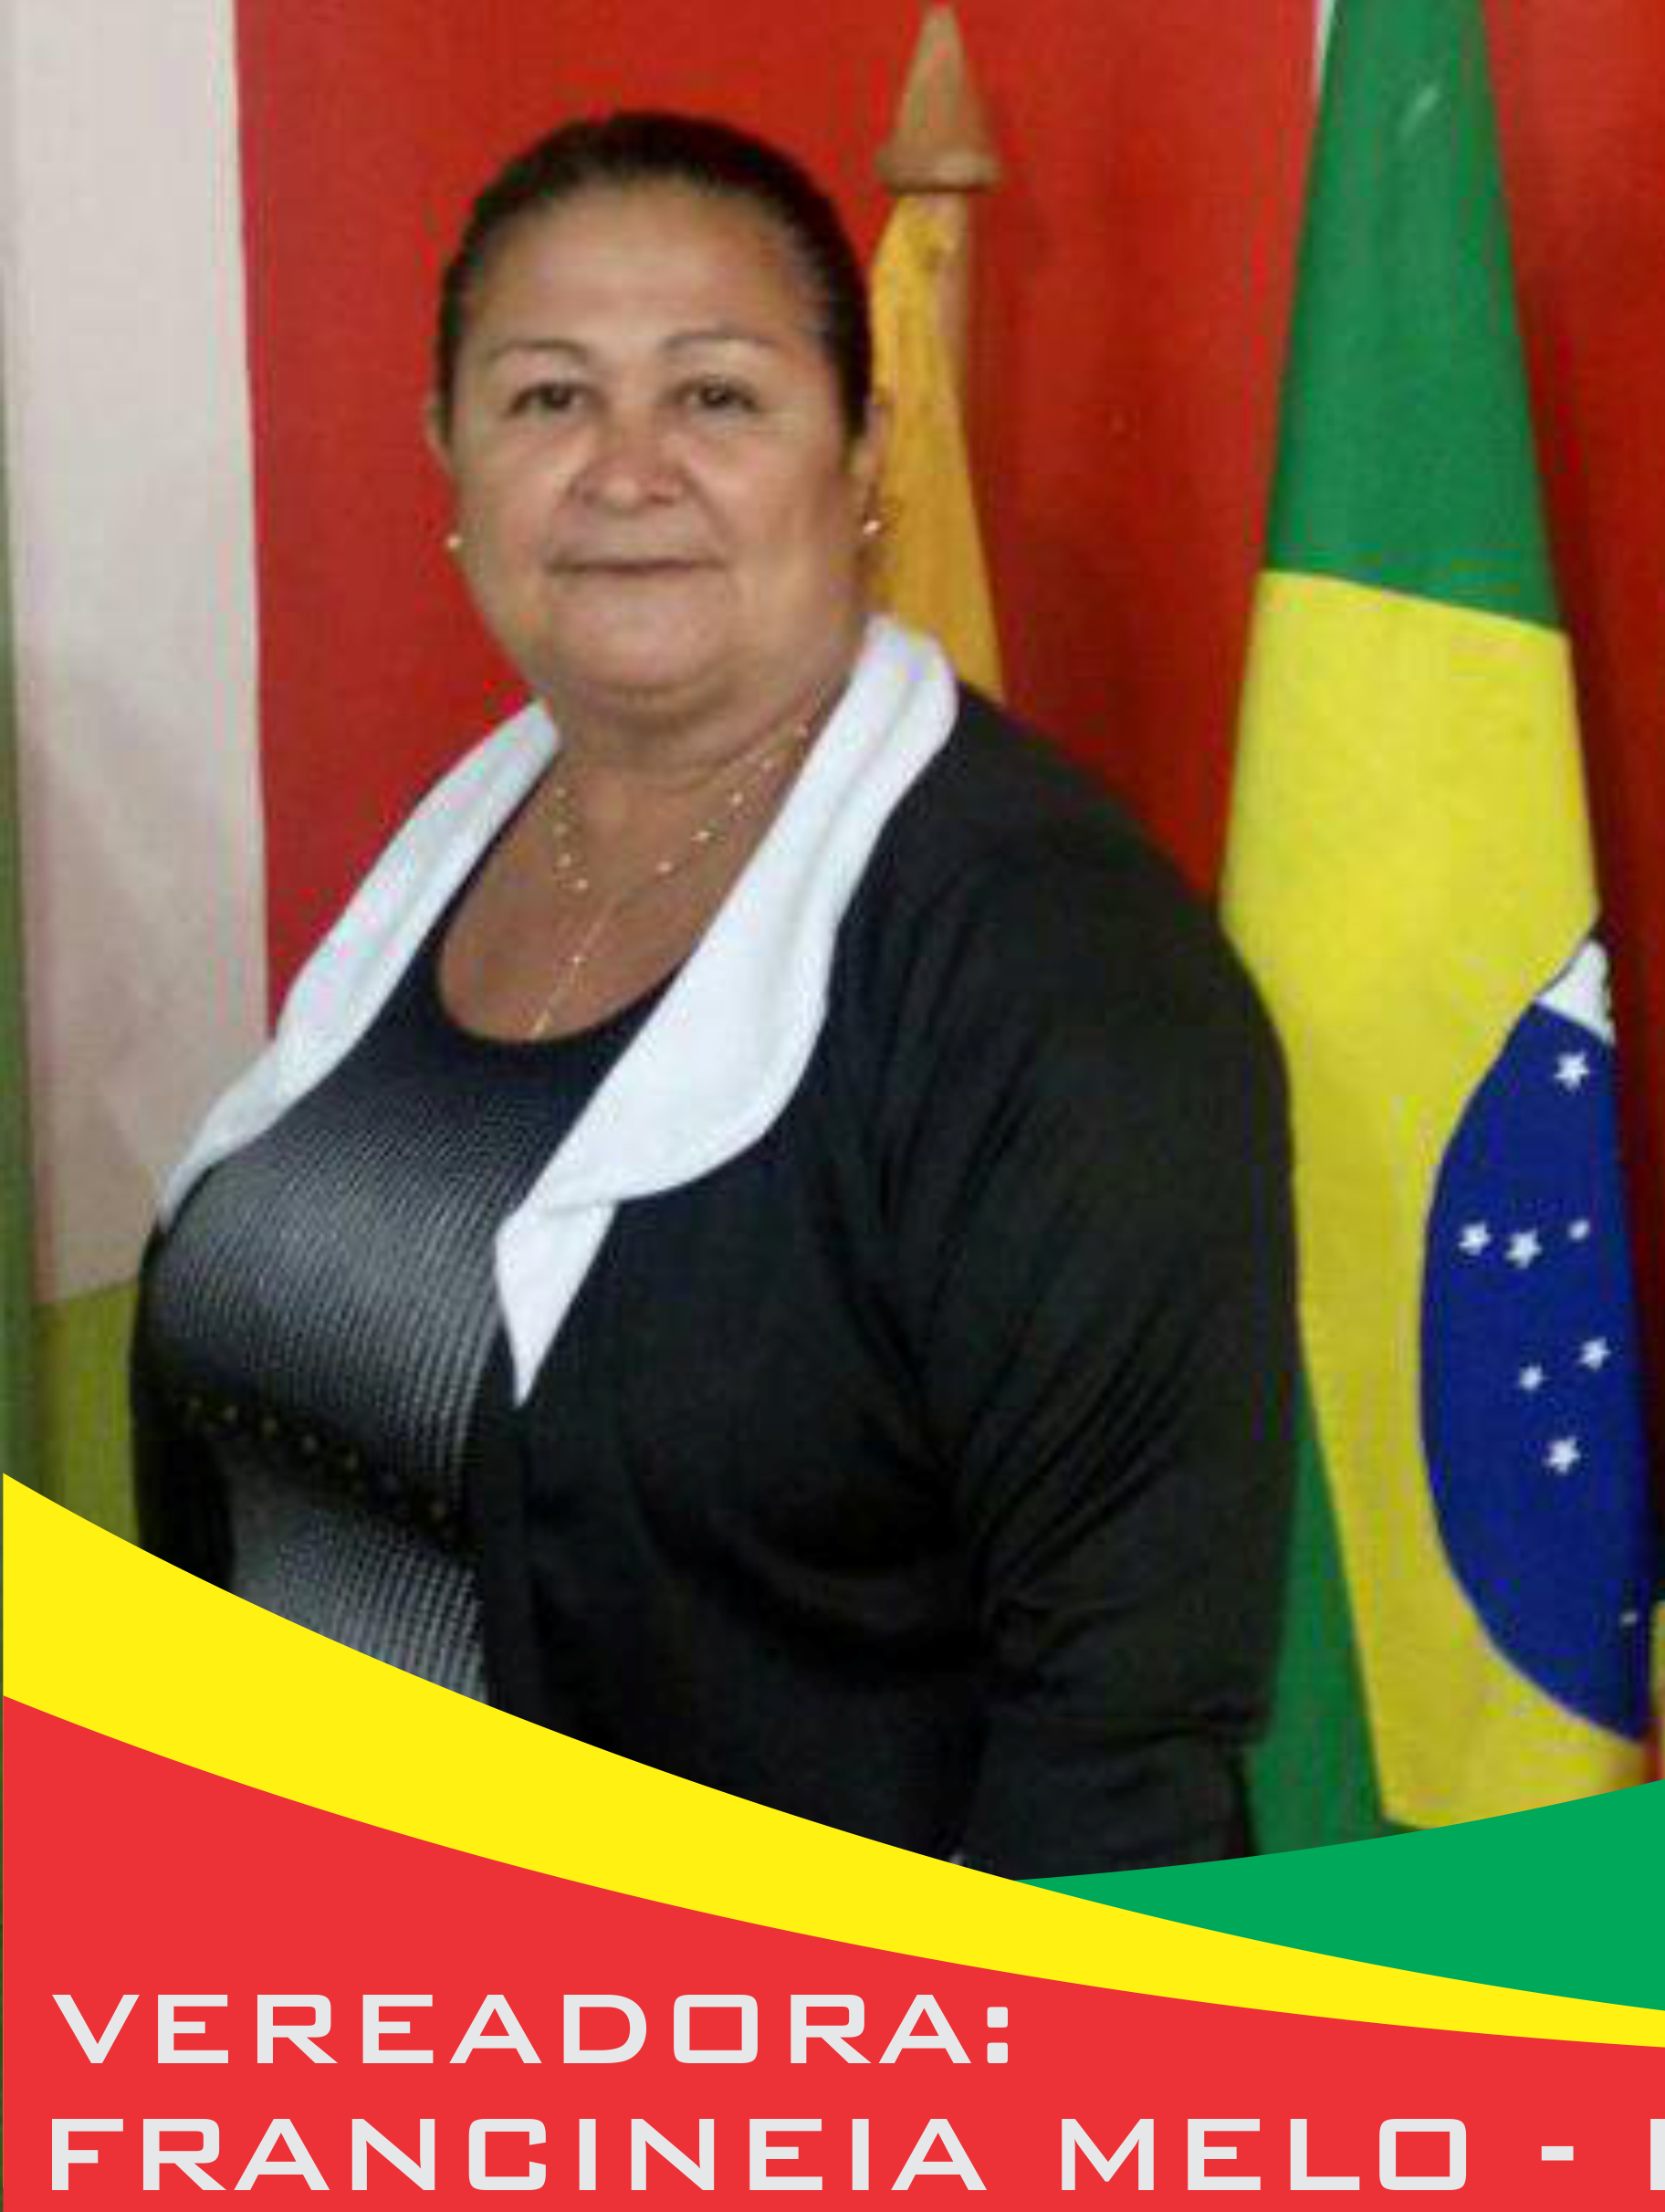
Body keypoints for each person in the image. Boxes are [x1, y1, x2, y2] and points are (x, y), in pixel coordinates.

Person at [132, 112, 1297, 1880]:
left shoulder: (1059, 966)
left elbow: (1120, 1741)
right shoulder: (461, 844)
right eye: (547, 397)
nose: (626, 470)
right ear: (448, 456)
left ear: (862, 452)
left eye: (717, 396)